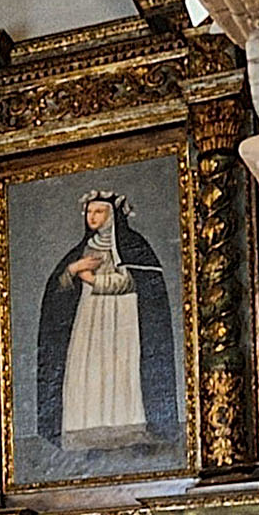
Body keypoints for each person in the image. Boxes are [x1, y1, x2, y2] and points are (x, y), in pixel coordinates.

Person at [36, 192, 175, 451]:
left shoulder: (133, 247)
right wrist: (73, 270)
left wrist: (90, 279)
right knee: (89, 367)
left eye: (98, 212)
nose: (92, 217)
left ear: (112, 215)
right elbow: (60, 288)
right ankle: (88, 433)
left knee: (120, 369)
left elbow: (130, 281)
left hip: (122, 316)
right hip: (90, 317)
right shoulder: (81, 252)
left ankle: (128, 431)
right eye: (89, 212)